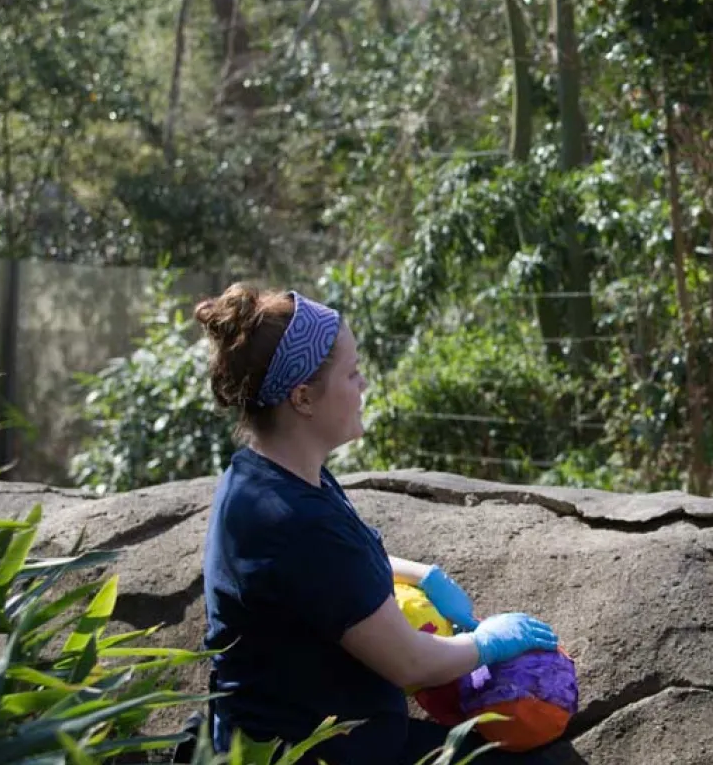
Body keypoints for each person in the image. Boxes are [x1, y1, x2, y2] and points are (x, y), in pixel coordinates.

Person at [197, 284, 561, 763]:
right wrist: (488, 643)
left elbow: (323, 578)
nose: (363, 385)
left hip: (336, 735)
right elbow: (411, 664)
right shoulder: (290, 519)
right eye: (352, 374)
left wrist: (417, 573)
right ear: (303, 398)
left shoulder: (271, 476)